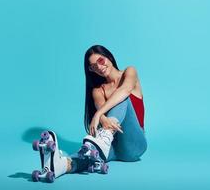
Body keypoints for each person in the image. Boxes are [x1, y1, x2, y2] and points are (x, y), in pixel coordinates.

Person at [32, 45, 147, 182]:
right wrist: (101, 117)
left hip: (135, 145)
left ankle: (103, 138)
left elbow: (125, 90)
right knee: (88, 156)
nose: (98, 67)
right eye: (93, 66)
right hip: (113, 147)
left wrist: (98, 114)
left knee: (122, 98)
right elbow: (104, 121)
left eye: (101, 60)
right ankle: (60, 165)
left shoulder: (129, 72)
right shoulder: (98, 91)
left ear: (109, 57)